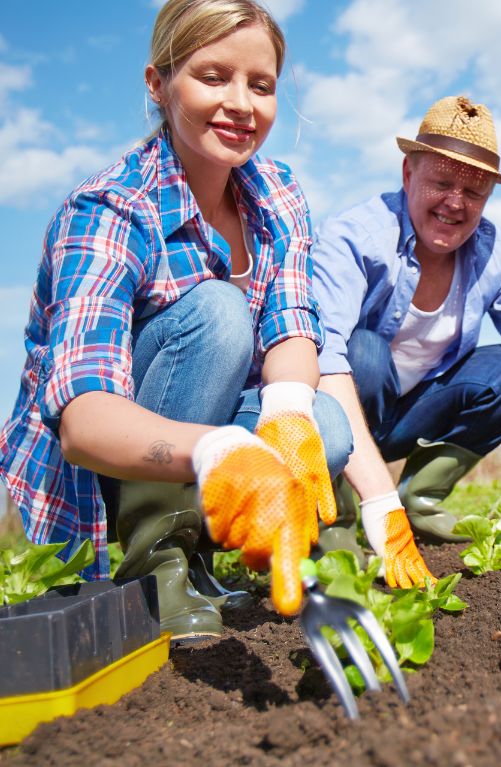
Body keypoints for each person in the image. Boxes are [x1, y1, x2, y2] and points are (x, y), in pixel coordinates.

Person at [0, 0, 350, 643]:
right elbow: (83, 421)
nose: (242, 103)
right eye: (213, 77)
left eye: (261, 84)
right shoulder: (110, 208)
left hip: (191, 436)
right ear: (158, 85)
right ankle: (155, 560)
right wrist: (221, 452)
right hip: (101, 469)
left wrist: (287, 415)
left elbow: (292, 321)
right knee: (217, 314)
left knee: (323, 424)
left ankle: (208, 557)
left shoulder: (277, 193)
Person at [311, 95, 501, 576]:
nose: (455, 204)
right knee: (363, 351)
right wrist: (377, 505)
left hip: (412, 418)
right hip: (345, 412)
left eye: (475, 192)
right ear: (407, 174)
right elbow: (320, 364)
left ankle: (419, 502)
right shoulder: (354, 238)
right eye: (441, 183)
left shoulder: (495, 256)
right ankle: (336, 518)